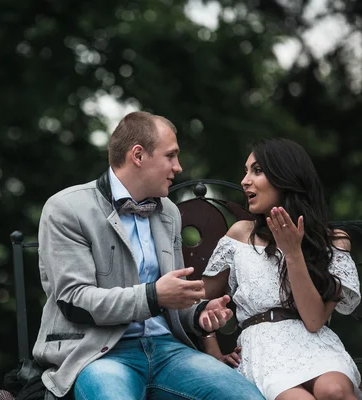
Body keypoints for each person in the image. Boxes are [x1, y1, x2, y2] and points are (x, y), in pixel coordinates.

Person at [32, 111, 264, 399]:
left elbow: (171, 297)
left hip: (169, 351)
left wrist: (199, 313)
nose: (178, 167)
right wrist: (154, 296)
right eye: (171, 156)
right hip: (99, 354)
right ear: (138, 156)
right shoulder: (67, 208)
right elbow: (74, 301)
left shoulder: (167, 212)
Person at [202, 138, 362, 400]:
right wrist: (212, 351)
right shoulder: (240, 235)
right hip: (263, 348)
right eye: (245, 171)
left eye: (257, 170)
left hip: (315, 343)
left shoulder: (332, 241)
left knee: (335, 390)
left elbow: (313, 320)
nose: (245, 181)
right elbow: (202, 300)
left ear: (285, 178)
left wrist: (293, 252)